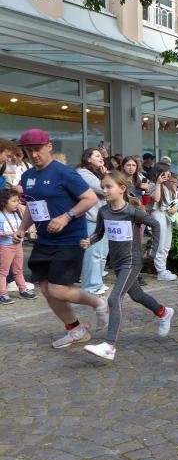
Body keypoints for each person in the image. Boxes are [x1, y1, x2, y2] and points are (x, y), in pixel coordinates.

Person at [11, 129, 109, 349]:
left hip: (70, 239)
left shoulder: (64, 173)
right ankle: (75, 330)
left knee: (58, 289)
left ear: (49, 147)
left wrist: (66, 216)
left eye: (37, 149)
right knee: (47, 290)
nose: (33, 154)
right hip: (45, 240)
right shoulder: (28, 176)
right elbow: (32, 206)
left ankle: (98, 302)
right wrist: (22, 228)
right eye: (29, 150)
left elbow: (90, 198)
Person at [80, 171, 174, 361]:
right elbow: (99, 233)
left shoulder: (131, 212)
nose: (104, 190)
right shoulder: (104, 211)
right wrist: (90, 241)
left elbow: (155, 225)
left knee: (114, 298)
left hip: (132, 261)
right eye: (103, 187)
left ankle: (109, 346)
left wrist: (152, 251)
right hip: (117, 262)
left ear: (122, 189)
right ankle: (164, 312)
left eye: (109, 187)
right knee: (137, 295)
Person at [76, 148, 110, 296]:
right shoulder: (83, 173)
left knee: (102, 254)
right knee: (93, 253)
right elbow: (104, 189)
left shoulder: (97, 173)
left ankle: (97, 282)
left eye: (101, 156)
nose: (101, 158)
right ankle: (90, 285)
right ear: (88, 158)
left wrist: (104, 175)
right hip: (92, 218)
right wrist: (106, 176)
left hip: (102, 218)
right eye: (97, 156)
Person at [0, 189, 37, 304]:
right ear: (4, 202)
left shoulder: (16, 214)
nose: (17, 203)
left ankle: (23, 290)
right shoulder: (1, 216)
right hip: (6, 247)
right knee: (3, 271)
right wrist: (4, 233)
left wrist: (26, 231)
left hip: (18, 246)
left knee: (18, 270)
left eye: (17, 201)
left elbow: (20, 227)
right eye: (14, 201)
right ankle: (2, 294)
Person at [149, 162, 178, 281]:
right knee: (160, 244)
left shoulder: (167, 185)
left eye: (168, 171)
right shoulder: (153, 184)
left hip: (167, 215)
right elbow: (156, 199)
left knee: (166, 244)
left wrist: (175, 207)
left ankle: (163, 269)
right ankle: (160, 271)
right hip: (158, 215)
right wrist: (158, 183)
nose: (168, 173)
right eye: (166, 171)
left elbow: (173, 201)